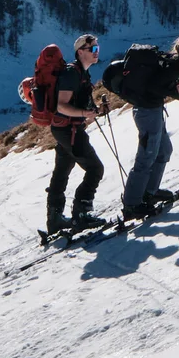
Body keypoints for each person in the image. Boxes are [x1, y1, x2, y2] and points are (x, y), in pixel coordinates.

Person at [118, 33, 179, 219]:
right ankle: (132, 204)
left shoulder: (175, 65)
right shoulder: (174, 67)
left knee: (164, 150)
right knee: (147, 156)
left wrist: (175, 90)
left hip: (152, 111)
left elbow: (158, 85)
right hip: (147, 113)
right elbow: (153, 87)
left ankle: (150, 192)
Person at [46, 33, 107, 233]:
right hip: (68, 129)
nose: (97, 53)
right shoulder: (73, 74)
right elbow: (61, 105)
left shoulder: (81, 73)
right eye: (94, 49)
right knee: (95, 169)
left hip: (65, 128)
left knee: (62, 170)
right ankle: (81, 213)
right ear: (81, 52)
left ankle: (54, 218)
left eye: (97, 49)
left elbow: (77, 104)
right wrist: (82, 113)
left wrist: (90, 111)